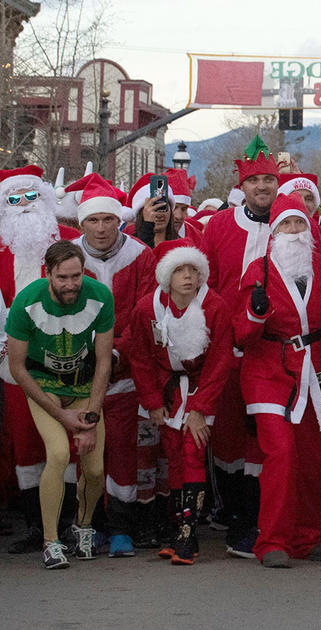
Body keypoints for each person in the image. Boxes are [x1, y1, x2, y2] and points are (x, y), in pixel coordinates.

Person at [235, 193, 321, 568]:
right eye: (285, 224)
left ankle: (311, 535)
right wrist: (256, 314)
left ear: (309, 228)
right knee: (283, 452)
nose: (293, 230)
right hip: (269, 370)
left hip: (317, 367)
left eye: (299, 223)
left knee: (316, 456)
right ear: (274, 232)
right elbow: (240, 335)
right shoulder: (259, 270)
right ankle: (272, 540)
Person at [6, 240, 114, 569]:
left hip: (83, 383)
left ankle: (82, 526)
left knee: (94, 468)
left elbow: (104, 361)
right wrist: (63, 417)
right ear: (48, 273)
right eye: (63, 277)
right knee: (59, 453)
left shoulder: (100, 296)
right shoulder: (25, 302)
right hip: (44, 385)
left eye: (76, 276)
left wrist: (91, 417)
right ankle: (51, 541)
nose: (70, 285)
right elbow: (17, 368)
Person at [127, 241, 234, 565]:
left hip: (203, 389)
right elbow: (141, 358)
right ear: (165, 275)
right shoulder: (147, 308)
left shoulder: (215, 306)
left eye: (193, 270)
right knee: (174, 456)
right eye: (179, 270)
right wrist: (152, 400)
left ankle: (189, 534)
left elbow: (219, 361)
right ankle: (178, 530)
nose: (187, 277)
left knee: (192, 453)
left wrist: (200, 408)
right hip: (167, 390)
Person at [69, 174, 158, 557]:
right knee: (82, 452)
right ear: (81, 223)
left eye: (108, 219)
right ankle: (89, 524)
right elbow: (57, 313)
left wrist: (115, 353)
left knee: (122, 449)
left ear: (118, 220)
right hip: (76, 374)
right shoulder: (66, 257)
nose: (101, 228)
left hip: (124, 373)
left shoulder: (141, 255)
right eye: (93, 220)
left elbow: (145, 316)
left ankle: (121, 526)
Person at [198, 136, 279, 558]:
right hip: (227, 347)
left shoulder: (291, 222)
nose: (262, 187)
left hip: (273, 349)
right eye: (255, 181)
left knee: (263, 435)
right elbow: (205, 287)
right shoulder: (220, 226)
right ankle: (233, 515)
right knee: (228, 436)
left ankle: (257, 517)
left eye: (269, 179)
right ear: (242, 186)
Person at [0, 165, 82, 555]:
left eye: (31, 197)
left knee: (64, 439)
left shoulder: (68, 242)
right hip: (13, 360)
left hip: (65, 356)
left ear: (46, 199)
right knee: (26, 440)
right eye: (14, 200)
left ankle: (67, 522)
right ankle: (38, 525)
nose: (25, 207)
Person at [127, 173, 183, 248]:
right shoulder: (129, 248)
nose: (159, 214)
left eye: (163, 207)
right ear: (141, 212)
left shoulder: (182, 248)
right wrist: (147, 228)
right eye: (154, 207)